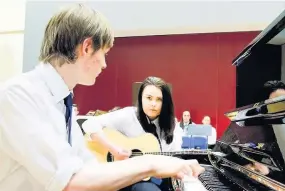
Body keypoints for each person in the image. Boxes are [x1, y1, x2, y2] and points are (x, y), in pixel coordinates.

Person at [0, 4, 205, 191]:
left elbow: (88, 167)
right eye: (105, 53)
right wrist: (150, 163)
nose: (105, 64)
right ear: (87, 47)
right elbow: (69, 181)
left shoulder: (62, 100)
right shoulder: (20, 95)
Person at [84, 76, 190, 190]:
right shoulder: (128, 115)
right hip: (122, 178)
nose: (153, 103)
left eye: (159, 99)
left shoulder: (171, 124)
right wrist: (114, 149)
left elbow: (175, 155)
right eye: (149, 98)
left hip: (155, 178)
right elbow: (89, 124)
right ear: (141, 98)